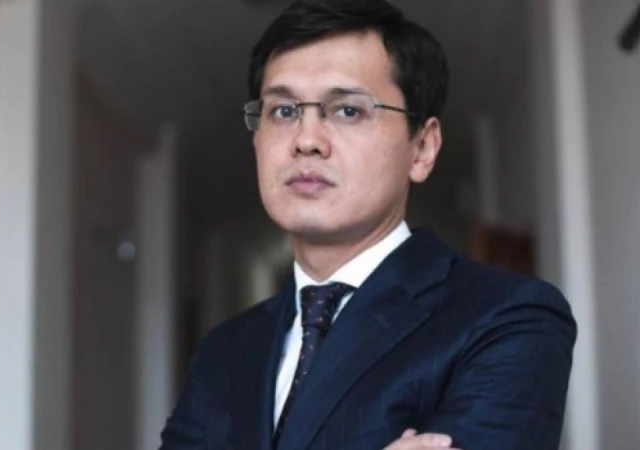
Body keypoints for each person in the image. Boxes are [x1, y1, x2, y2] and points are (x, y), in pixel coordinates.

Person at [160, 0, 576, 449]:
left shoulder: (507, 318)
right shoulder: (224, 350)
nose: (306, 140)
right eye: (283, 111)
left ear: (422, 148)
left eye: (348, 111)